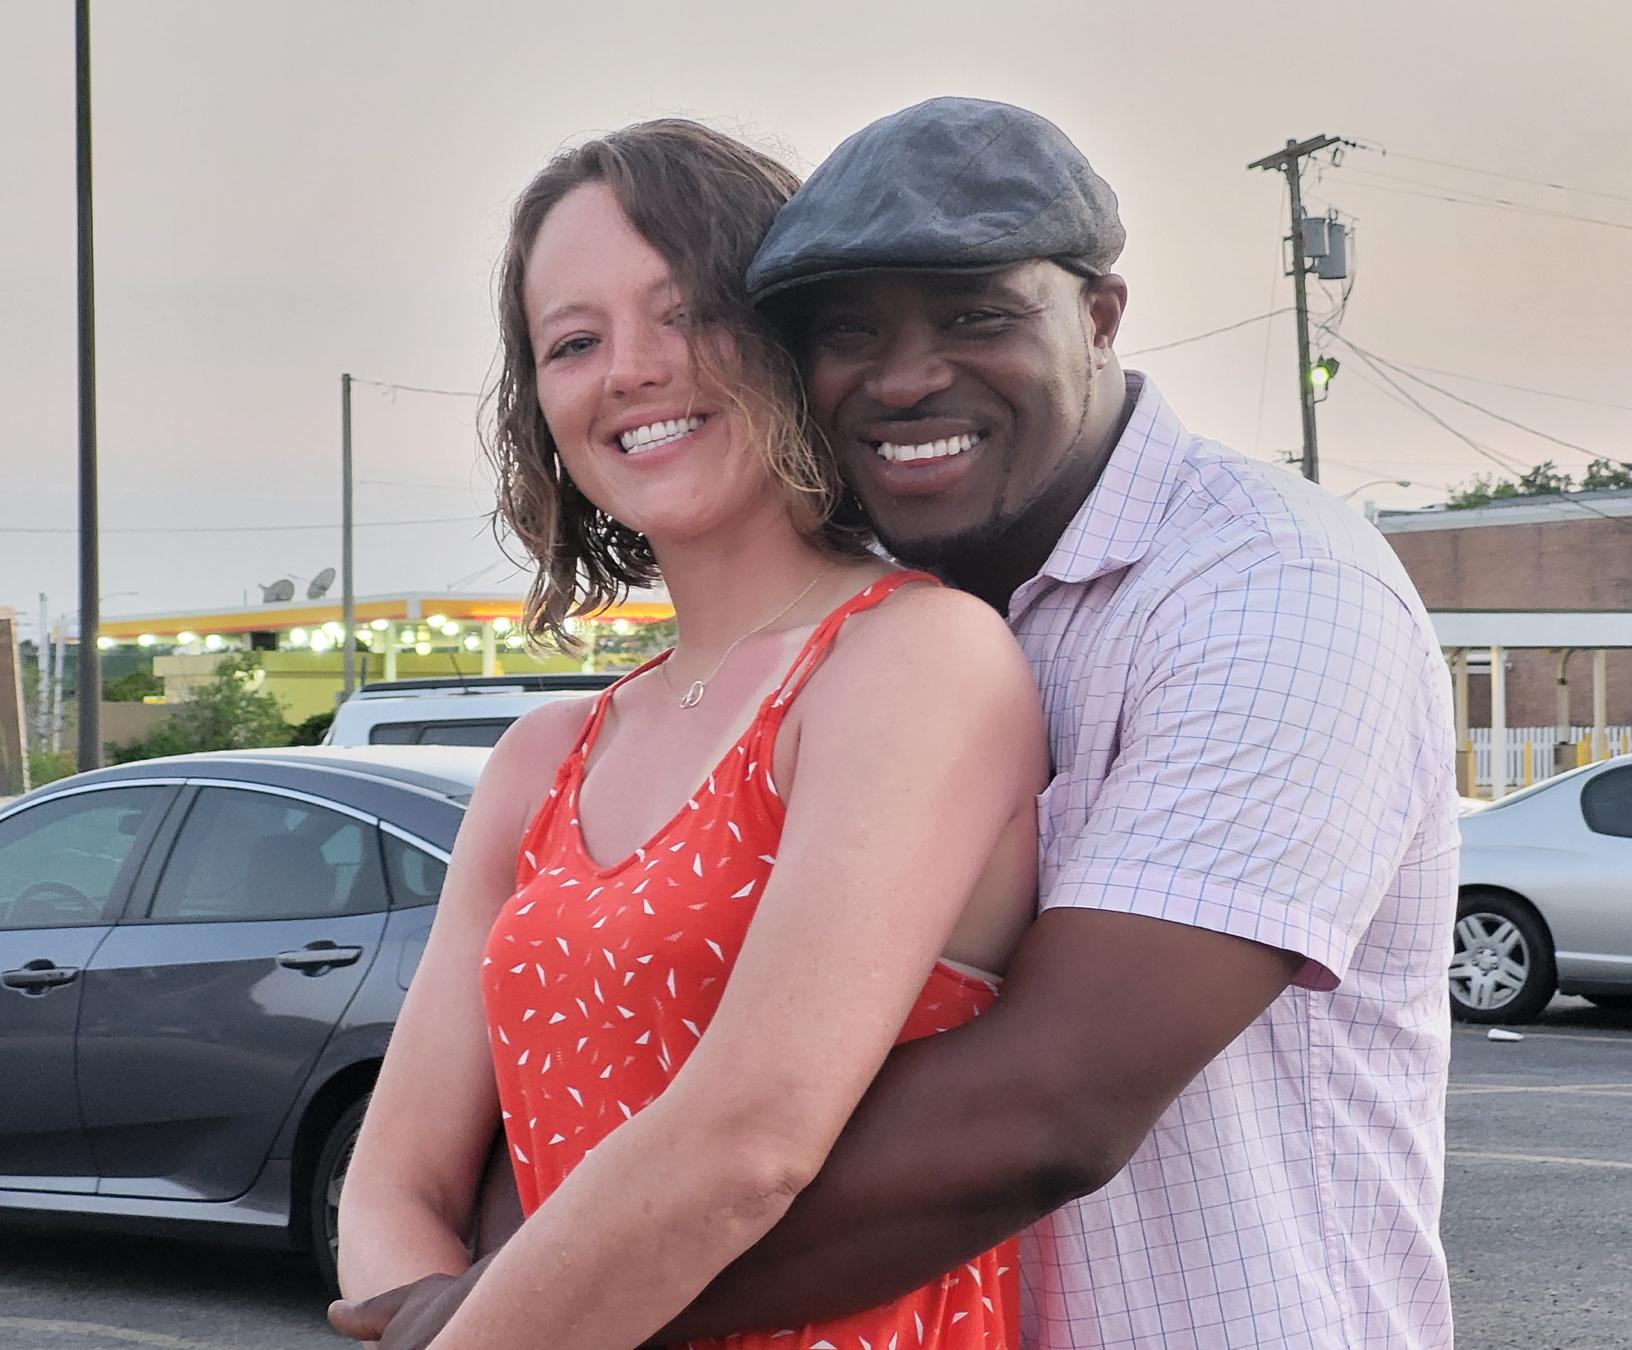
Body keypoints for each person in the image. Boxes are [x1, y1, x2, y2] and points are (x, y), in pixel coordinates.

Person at [334, 98, 1459, 1350]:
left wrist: (518, 1314)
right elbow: (469, 1144)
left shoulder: (1266, 590)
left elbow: (1047, 1105)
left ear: (1100, 316)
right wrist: (518, 1279)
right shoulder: (939, 589)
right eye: (852, 330)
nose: (909, 376)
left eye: (977, 315)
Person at [330, 119, 1046, 1350]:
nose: (632, 370)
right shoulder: (542, 757)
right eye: (573, 342)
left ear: (789, 333)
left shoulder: (914, 660)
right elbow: (395, 1184)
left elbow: (750, 1144)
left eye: (690, 314)